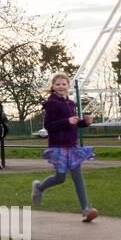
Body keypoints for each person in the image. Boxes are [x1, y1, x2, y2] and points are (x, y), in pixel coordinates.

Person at [31, 72, 101, 221]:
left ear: (68, 86)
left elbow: (73, 123)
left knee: (78, 177)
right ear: (53, 87)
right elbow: (48, 126)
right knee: (60, 177)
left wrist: (84, 123)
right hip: (58, 146)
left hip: (72, 145)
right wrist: (67, 121)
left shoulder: (70, 103)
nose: (61, 86)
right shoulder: (52, 103)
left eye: (64, 84)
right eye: (58, 84)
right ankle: (39, 187)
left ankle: (86, 210)